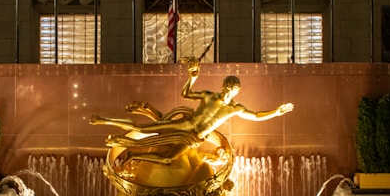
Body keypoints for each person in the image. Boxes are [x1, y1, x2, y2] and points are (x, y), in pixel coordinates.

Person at [90, 62, 294, 166]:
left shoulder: (235, 108)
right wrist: (193, 77)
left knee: (168, 159)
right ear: (223, 86)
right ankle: (103, 120)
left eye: (233, 90)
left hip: (194, 138)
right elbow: (185, 94)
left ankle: (135, 155)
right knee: (141, 128)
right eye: (227, 88)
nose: (229, 92)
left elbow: (256, 116)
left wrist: (276, 112)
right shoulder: (208, 96)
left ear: (237, 92)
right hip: (185, 125)